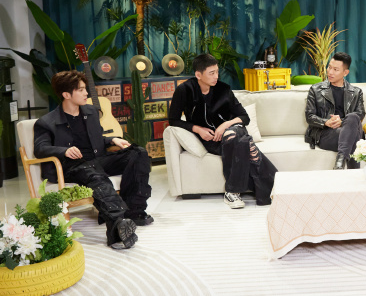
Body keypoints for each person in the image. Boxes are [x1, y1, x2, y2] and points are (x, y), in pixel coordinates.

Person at [34, 70, 152, 250]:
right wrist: (64, 151)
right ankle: (117, 225)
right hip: (73, 167)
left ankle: (134, 211)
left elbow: (96, 139)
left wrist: (112, 140)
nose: (86, 93)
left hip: (97, 159)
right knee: (95, 175)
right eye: (81, 90)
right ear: (66, 94)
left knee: (138, 153)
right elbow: (40, 149)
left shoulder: (91, 112)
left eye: (85, 89)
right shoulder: (47, 122)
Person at [168, 54, 276, 208]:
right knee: (245, 144)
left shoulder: (223, 89)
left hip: (234, 130)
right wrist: (197, 129)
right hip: (211, 139)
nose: (216, 77)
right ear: (198, 75)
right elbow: (173, 120)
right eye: (211, 73)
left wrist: (225, 125)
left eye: (217, 72)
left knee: (232, 134)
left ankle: (232, 192)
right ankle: (275, 186)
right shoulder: (184, 90)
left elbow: (244, 117)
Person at [305, 52, 365, 170]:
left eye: (336, 69)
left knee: (353, 117)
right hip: (326, 134)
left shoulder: (356, 92)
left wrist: (342, 121)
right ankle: (352, 173)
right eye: (329, 67)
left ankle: (339, 163)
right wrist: (326, 122)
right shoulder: (315, 90)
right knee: (354, 137)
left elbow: (360, 114)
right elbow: (309, 116)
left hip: (348, 130)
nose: (330, 72)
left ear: (345, 72)